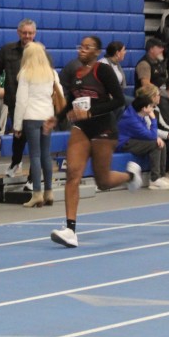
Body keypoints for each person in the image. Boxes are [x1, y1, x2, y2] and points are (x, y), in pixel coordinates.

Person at [52, 36, 143, 248]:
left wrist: (91, 112)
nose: (82, 50)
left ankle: (130, 176)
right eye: (81, 46)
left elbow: (119, 100)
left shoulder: (103, 70)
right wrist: (56, 118)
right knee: (73, 174)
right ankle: (70, 230)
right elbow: (72, 101)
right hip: (82, 128)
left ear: (97, 51)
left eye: (88, 47)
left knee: (102, 182)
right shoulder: (76, 73)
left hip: (104, 128)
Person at [0, 19, 37, 177]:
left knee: (34, 139)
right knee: (18, 135)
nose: (27, 36)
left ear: (35, 34)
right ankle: (16, 162)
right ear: (18, 32)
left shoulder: (39, 51)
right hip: (14, 101)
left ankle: (33, 176)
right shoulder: (7, 50)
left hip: (35, 103)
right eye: (24, 32)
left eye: (30, 33)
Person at [13, 42, 62, 207]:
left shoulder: (26, 73)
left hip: (31, 117)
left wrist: (17, 125)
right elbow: (60, 93)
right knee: (46, 154)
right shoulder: (52, 73)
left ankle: (36, 194)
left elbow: (21, 101)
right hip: (47, 116)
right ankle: (49, 192)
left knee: (34, 155)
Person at [118, 93, 169, 190]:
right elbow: (151, 135)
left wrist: (156, 137)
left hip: (133, 139)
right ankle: (154, 179)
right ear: (144, 108)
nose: (152, 109)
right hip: (124, 143)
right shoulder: (132, 119)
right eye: (150, 106)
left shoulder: (137, 113)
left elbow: (148, 132)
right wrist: (153, 119)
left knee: (161, 143)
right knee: (156, 144)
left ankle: (161, 175)